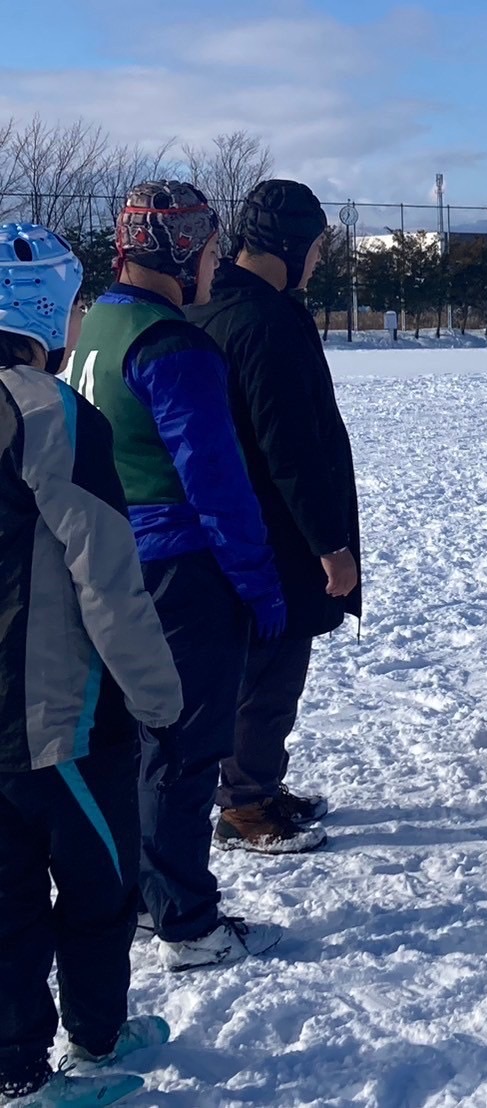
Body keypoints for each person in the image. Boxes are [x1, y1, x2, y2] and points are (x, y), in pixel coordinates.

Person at [65, 180, 293, 972]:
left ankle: (139, 894)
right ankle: (188, 924)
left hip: (107, 564)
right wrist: (259, 584)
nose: (215, 264)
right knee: (184, 750)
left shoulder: (97, 323)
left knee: (129, 746)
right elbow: (216, 483)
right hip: (178, 574)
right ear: (179, 251)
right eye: (209, 248)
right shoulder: (173, 345)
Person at [0, 223, 178, 1106]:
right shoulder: (51, 411)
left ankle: (18, 1062)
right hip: (57, 720)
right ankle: (89, 1046)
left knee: (5, 904)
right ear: (45, 311)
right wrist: (159, 698)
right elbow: (106, 575)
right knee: (97, 889)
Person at [187, 179, 360, 854]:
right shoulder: (264, 321)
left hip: (233, 528)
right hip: (274, 534)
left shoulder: (219, 303)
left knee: (257, 668)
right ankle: (245, 806)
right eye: (315, 247)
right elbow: (289, 448)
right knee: (270, 672)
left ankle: (254, 784)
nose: (317, 261)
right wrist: (330, 544)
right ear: (289, 245)